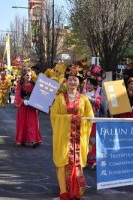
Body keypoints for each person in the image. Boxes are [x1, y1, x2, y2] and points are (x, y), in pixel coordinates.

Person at [50, 65, 94, 200]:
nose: (72, 82)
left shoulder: (84, 99)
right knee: (63, 162)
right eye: (70, 79)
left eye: (75, 79)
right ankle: (63, 190)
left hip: (78, 137)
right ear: (66, 81)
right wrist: (70, 119)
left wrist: (81, 122)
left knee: (77, 162)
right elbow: (54, 116)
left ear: (79, 82)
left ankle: (75, 189)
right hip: (64, 137)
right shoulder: (59, 98)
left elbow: (89, 117)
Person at [14, 67, 42, 147]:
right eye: (27, 75)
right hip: (23, 108)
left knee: (32, 123)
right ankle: (22, 139)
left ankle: (34, 140)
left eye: (30, 75)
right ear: (23, 76)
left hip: (32, 108)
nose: (29, 77)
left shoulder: (34, 85)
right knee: (23, 123)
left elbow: (38, 95)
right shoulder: (20, 85)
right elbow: (17, 95)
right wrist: (23, 101)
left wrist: (35, 102)